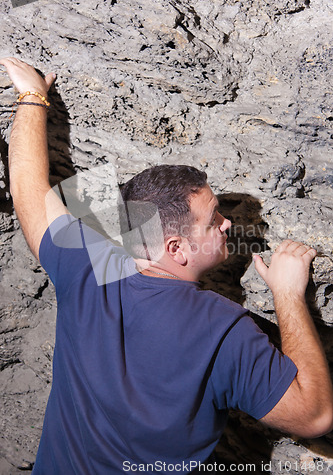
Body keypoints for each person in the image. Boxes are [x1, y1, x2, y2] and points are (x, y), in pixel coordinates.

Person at [1, 57, 332, 475]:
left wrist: (31, 95)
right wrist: (286, 294)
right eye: (214, 219)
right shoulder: (221, 327)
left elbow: (27, 187)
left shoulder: (86, 265)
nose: (227, 223)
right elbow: (315, 415)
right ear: (176, 248)